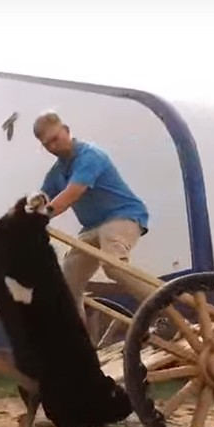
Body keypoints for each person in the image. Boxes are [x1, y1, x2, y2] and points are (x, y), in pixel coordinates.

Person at [33, 110, 149, 319]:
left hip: (123, 216)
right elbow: (45, 196)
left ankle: (168, 310)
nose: (52, 147)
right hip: (92, 227)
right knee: (67, 285)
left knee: (114, 266)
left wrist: (43, 215)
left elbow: (70, 195)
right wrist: (33, 204)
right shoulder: (56, 172)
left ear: (66, 130)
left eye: (55, 139)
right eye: (46, 144)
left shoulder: (90, 155)